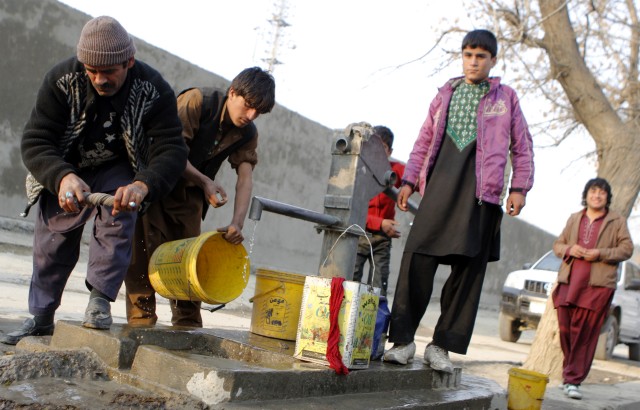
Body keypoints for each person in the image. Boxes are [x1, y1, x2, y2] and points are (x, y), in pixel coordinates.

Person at [0, 16, 187, 345]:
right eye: (92, 71)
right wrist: (61, 176)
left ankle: (99, 302)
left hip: (119, 167)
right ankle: (41, 318)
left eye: (109, 71)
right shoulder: (62, 79)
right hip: (66, 165)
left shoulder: (153, 88)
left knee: (118, 218)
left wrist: (143, 184)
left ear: (128, 62)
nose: (100, 79)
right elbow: (35, 140)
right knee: (50, 243)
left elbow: (171, 149)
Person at [383, 29, 535, 372]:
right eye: (468, 55)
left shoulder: (505, 98)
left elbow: (522, 146)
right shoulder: (445, 94)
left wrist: (518, 189)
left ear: (493, 60)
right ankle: (403, 341)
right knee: (417, 258)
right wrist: (408, 181)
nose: (473, 62)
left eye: (481, 56)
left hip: (481, 197)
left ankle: (441, 347)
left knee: (468, 271)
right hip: (439, 189)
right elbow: (423, 140)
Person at [125, 67, 276, 327]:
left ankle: (188, 327)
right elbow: (169, 151)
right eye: (248, 106)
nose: (251, 115)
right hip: (154, 184)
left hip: (190, 198)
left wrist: (237, 223)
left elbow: (245, 178)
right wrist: (205, 181)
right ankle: (141, 323)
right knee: (142, 256)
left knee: (192, 262)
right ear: (232, 93)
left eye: (258, 112)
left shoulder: (248, 132)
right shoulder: (197, 101)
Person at [552, 178, 632, 400]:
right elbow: (557, 245)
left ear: (607, 197)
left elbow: (626, 249)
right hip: (569, 283)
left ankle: (573, 380)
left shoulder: (617, 221)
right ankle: (569, 373)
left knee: (585, 335)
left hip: (597, 287)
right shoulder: (574, 218)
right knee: (566, 331)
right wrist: (570, 248)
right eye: (593, 191)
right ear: (586, 195)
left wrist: (601, 253)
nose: (597, 196)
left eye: (602, 193)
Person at [353, 125, 405, 297]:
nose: (379, 154)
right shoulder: (359, 169)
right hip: (360, 232)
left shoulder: (394, 170)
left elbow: (415, 179)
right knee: (351, 280)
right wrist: (379, 223)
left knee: (378, 288)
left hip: (382, 239)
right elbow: (355, 209)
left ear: (390, 152)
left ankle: (374, 322)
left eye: (383, 148)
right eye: (374, 147)